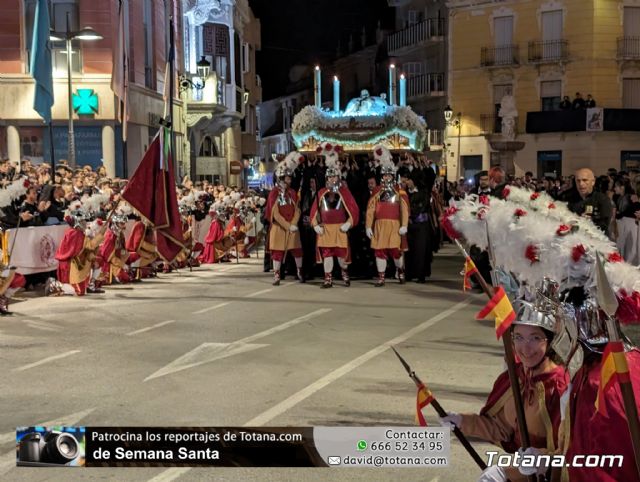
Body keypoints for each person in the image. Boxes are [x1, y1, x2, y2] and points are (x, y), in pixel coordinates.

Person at [440, 300, 569, 482]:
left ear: (550, 341)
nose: (525, 348)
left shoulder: (560, 387)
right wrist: (462, 421)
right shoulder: (515, 377)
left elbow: (568, 454)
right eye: (518, 337)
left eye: (535, 338)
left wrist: (529, 464)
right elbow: (502, 429)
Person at [310, 143, 359, 288]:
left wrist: (349, 223)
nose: (332, 180)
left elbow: (353, 209)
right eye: (329, 177)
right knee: (327, 254)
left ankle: (344, 273)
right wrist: (315, 225)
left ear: (338, 178)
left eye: (334, 177)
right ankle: (328, 279)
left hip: (340, 228)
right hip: (325, 229)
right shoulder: (321, 193)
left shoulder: (344, 192)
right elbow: (314, 211)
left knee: (341, 255)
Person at [365, 146, 410, 287]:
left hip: (394, 226)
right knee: (379, 252)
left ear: (393, 176)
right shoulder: (377, 191)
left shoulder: (399, 191)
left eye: (389, 175)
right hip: (379, 226)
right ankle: (381, 277)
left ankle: (400, 271)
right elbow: (370, 209)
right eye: (384, 175)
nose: (386, 177)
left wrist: (404, 225)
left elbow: (405, 209)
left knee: (396, 251)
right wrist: (368, 226)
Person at [264, 151, 304, 285]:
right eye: (287, 178)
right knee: (277, 252)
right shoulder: (274, 193)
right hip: (279, 228)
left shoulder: (292, 193)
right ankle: (276, 275)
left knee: (297, 250)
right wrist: (287, 225)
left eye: (290, 178)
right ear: (281, 179)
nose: (290, 180)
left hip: (292, 227)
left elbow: (297, 209)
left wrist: (293, 223)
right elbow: (274, 213)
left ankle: (299, 271)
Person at [565, 168, 613, 236]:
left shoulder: (602, 199)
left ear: (593, 182)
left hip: (598, 240)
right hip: (576, 239)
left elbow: (605, 223)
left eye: (585, 180)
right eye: (578, 181)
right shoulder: (569, 199)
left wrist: (591, 221)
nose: (581, 184)